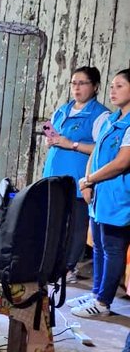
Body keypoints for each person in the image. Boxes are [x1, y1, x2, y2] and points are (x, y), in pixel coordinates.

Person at [72, 68, 130, 319]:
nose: (113, 90)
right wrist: (87, 182)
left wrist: (91, 179)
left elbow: (122, 162)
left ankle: (104, 302)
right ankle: (96, 293)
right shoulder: (111, 119)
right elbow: (95, 153)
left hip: (119, 196)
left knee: (113, 248)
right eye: (112, 86)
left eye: (119, 86)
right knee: (98, 246)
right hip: (100, 193)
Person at [43, 66, 109, 283]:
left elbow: (101, 149)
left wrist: (71, 144)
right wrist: (51, 140)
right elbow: (54, 135)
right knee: (54, 222)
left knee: (76, 226)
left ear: (95, 86)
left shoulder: (100, 115)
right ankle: (52, 263)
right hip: (54, 175)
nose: (76, 88)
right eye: (73, 83)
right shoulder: (63, 110)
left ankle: (69, 267)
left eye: (82, 83)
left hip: (78, 178)